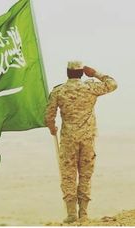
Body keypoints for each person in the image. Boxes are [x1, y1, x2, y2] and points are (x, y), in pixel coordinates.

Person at [45, 61, 117, 223]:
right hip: (87, 139)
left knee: (68, 176)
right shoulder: (90, 88)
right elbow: (112, 84)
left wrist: (52, 128)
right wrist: (96, 73)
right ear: (82, 73)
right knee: (85, 175)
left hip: (68, 140)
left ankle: (71, 214)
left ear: (67, 72)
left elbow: (49, 116)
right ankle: (83, 213)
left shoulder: (59, 91)